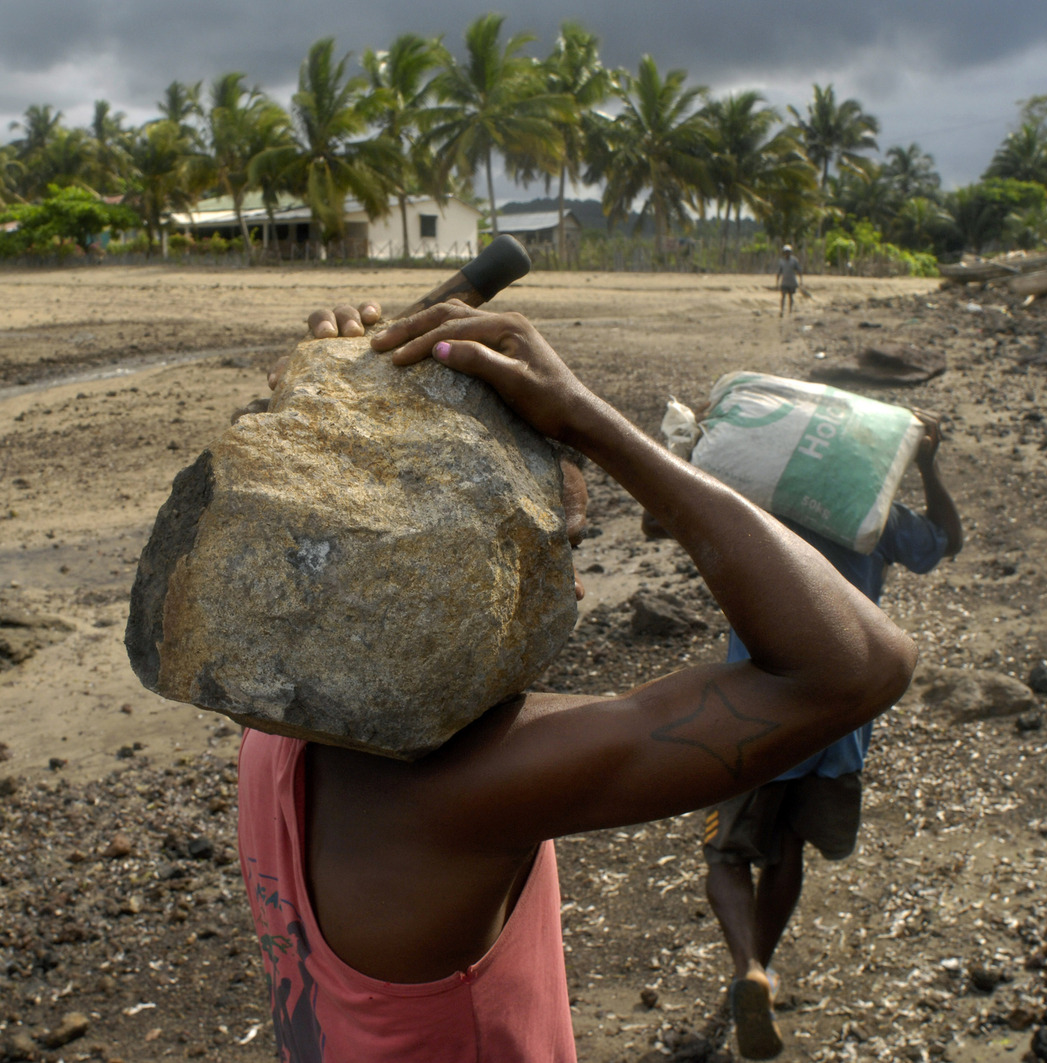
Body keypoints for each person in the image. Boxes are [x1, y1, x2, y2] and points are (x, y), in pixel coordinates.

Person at [234, 299, 918, 1062]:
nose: (578, 593)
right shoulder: (465, 789)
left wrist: (332, 400)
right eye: (561, 549)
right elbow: (859, 666)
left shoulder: (275, 719)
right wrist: (589, 419)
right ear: (462, 558)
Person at [684, 411, 962, 1060]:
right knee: (787, 852)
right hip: (839, 717)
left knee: (725, 853)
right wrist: (926, 464)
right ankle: (760, 970)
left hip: (757, 708)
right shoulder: (874, 521)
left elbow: (673, 513)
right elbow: (949, 540)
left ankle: (746, 965)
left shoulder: (770, 509)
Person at [775, 245, 801, 317]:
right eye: (786, 252)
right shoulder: (781, 261)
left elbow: (798, 270)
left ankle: (790, 311)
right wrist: (777, 282)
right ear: (784, 253)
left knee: (791, 297)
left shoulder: (794, 261)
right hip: (784, 282)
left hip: (792, 281)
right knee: (783, 297)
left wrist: (800, 280)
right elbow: (779, 272)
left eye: (788, 252)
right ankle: (782, 310)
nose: (787, 253)